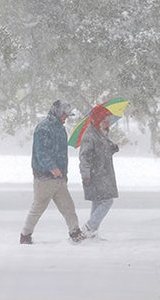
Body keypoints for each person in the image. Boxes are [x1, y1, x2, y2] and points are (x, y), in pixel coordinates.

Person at [20, 99, 85, 244]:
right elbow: (41, 152)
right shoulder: (43, 128)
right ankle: (25, 235)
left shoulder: (61, 129)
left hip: (59, 178)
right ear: (57, 112)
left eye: (67, 116)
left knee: (68, 206)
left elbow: (62, 154)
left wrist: (63, 173)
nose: (65, 118)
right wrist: (52, 168)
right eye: (64, 115)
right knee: (38, 207)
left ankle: (75, 232)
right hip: (44, 178)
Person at [79, 104, 120, 238]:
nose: (108, 123)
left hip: (103, 173)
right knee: (107, 201)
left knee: (97, 201)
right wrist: (85, 174)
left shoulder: (100, 134)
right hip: (95, 175)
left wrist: (112, 148)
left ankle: (92, 234)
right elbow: (84, 156)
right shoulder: (90, 136)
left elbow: (101, 152)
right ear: (98, 121)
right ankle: (89, 227)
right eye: (106, 120)